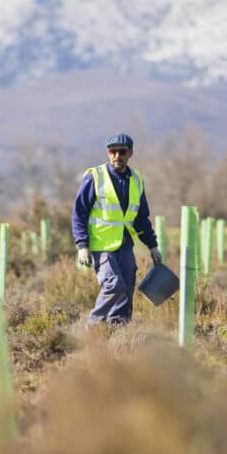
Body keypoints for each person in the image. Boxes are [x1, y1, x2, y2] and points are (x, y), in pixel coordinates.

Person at [73, 133, 161, 325]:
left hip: (125, 244)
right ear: (108, 152)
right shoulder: (94, 177)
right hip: (101, 244)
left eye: (122, 152)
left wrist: (152, 246)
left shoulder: (136, 180)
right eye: (112, 151)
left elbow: (141, 218)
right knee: (114, 285)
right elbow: (79, 213)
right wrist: (82, 245)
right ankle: (92, 327)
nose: (117, 156)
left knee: (127, 289)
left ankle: (118, 333)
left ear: (130, 153)